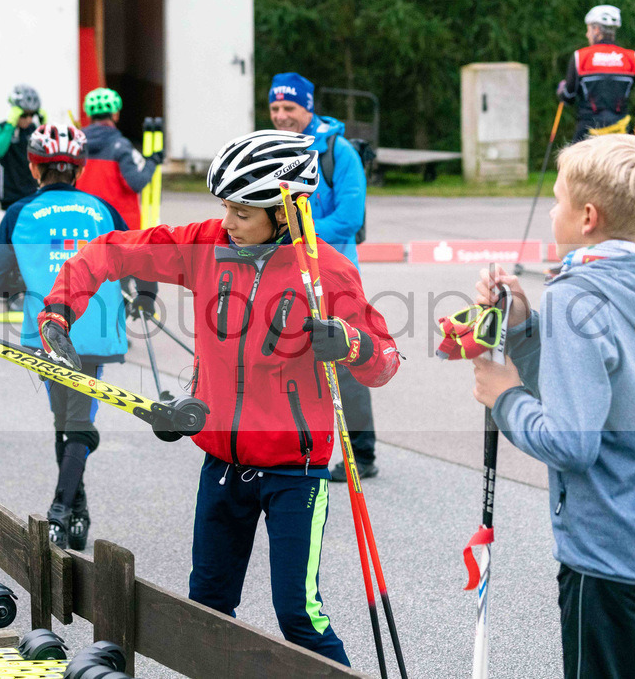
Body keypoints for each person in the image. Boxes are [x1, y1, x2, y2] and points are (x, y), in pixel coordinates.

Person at [36, 130, 400, 664]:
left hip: (293, 473)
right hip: (223, 463)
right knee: (205, 609)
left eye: (243, 212)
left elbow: (385, 361)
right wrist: (60, 309)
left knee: (298, 616)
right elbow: (111, 251)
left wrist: (351, 343)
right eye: (226, 207)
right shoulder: (207, 245)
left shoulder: (327, 274)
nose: (228, 222)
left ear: (287, 214)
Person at [471, 134, 635, 679]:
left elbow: (570, 441)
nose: (552, 214)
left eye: (558, 201)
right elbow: (588, 395)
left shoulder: (574, 295)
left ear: (587, 216)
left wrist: (504, 397)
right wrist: (521, 327)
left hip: (607, 558)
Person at [0, 124, 152, 551]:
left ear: (34, 166)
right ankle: (77, 510)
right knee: (73, 420)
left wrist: (22, 283)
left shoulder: (19, 212)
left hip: (46, 328)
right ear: (80, 169)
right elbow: (140, 258)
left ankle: (60, 510)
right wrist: (142, 297)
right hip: (94, 328)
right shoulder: (103, 209)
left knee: (70, 420)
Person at [267, 72, 376, 481]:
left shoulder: (337, 150)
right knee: (285, 356)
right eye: (275, 108)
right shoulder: (274, 149)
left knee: (344, 360)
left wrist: (292, 236)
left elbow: (348, 218)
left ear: (308, 107)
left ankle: (362, 454)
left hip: (334, 275)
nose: (281, 116)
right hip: (285, 273)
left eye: (289, 108)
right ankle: (292, 445)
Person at [557, 5, 635, 142]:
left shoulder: (580, 57)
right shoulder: (631, 58)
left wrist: (561, 90)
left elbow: (568, 97)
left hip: (587, 134)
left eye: (588, 29)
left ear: (596, 30)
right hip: (620, 133)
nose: (587, 34)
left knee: (567, 162)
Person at [75, 87, 162, 230]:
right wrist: (152, 162)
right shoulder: (121, 146)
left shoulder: (76, 145)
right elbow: (136, 182)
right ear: (115, 115)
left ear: (89, 114)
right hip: (116, 226)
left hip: (85, 223)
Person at [0, 84, 43, 211]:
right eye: (24, 115)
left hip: (31, 190)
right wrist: (11, 125)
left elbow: (45, 152)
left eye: (33, 114)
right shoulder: (2, 128)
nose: (29, 119)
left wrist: (43, 125)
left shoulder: (34, 129)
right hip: (9, 192)